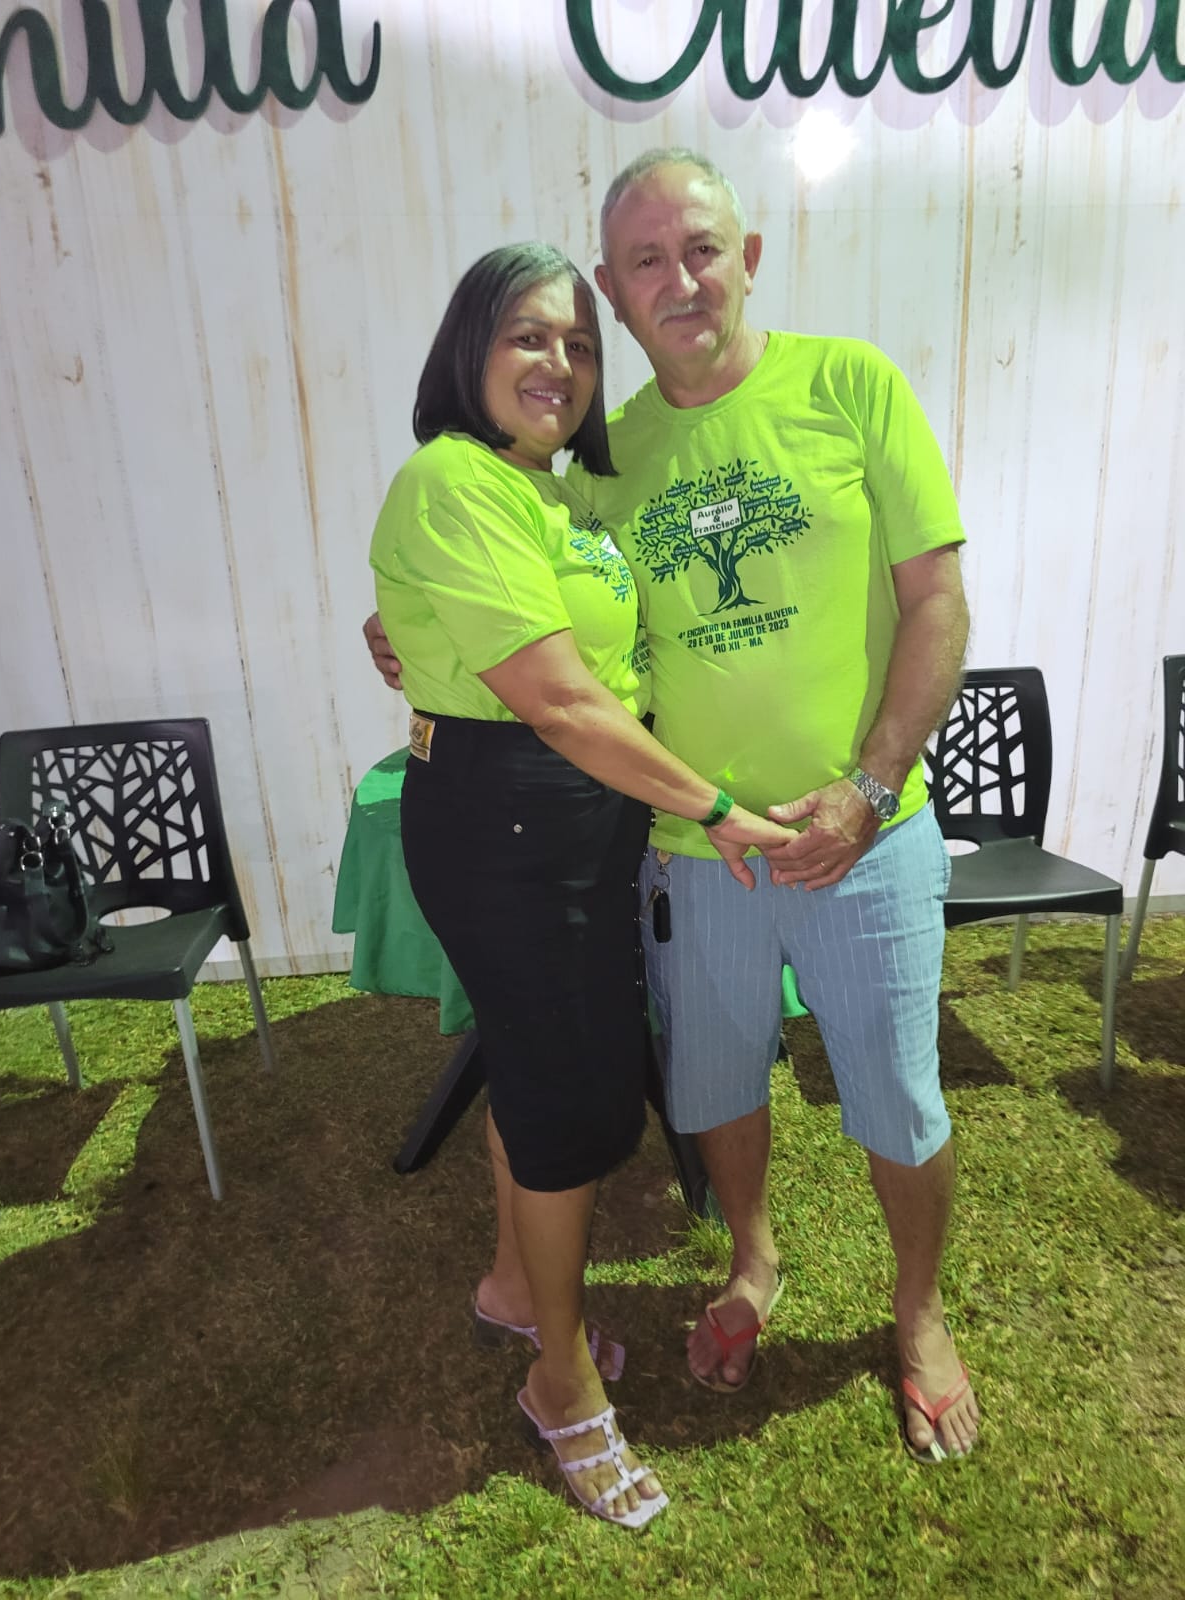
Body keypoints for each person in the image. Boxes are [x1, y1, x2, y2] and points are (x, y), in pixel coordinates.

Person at [367, 152, 980, 1464]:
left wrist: (871, 785)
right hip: (694, 855)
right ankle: (752, 1262)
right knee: (712, 1086)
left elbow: (938, 601)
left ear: (747, 257)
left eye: (701, 249)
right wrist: (412, 623)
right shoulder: (610, 456)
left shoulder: (851, 384)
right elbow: (536, 575)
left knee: (899, 1102)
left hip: (865, 836)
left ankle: (921, 1316)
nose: (680, 280)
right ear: (617, 288)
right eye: (645, 262)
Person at [368, 241, 793, 1527]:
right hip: (509, 820)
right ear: (471, 349)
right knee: (569, 1099)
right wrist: (713, 807)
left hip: (573, 822)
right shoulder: (454, 478)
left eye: (578, 342)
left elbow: (595, 656)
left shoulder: (556, 494)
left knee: (544, 1068)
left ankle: (515, 1288)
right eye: (528, 335)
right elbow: (557, 699)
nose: (560, 361)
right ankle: (559, 1381)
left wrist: (406, 627)